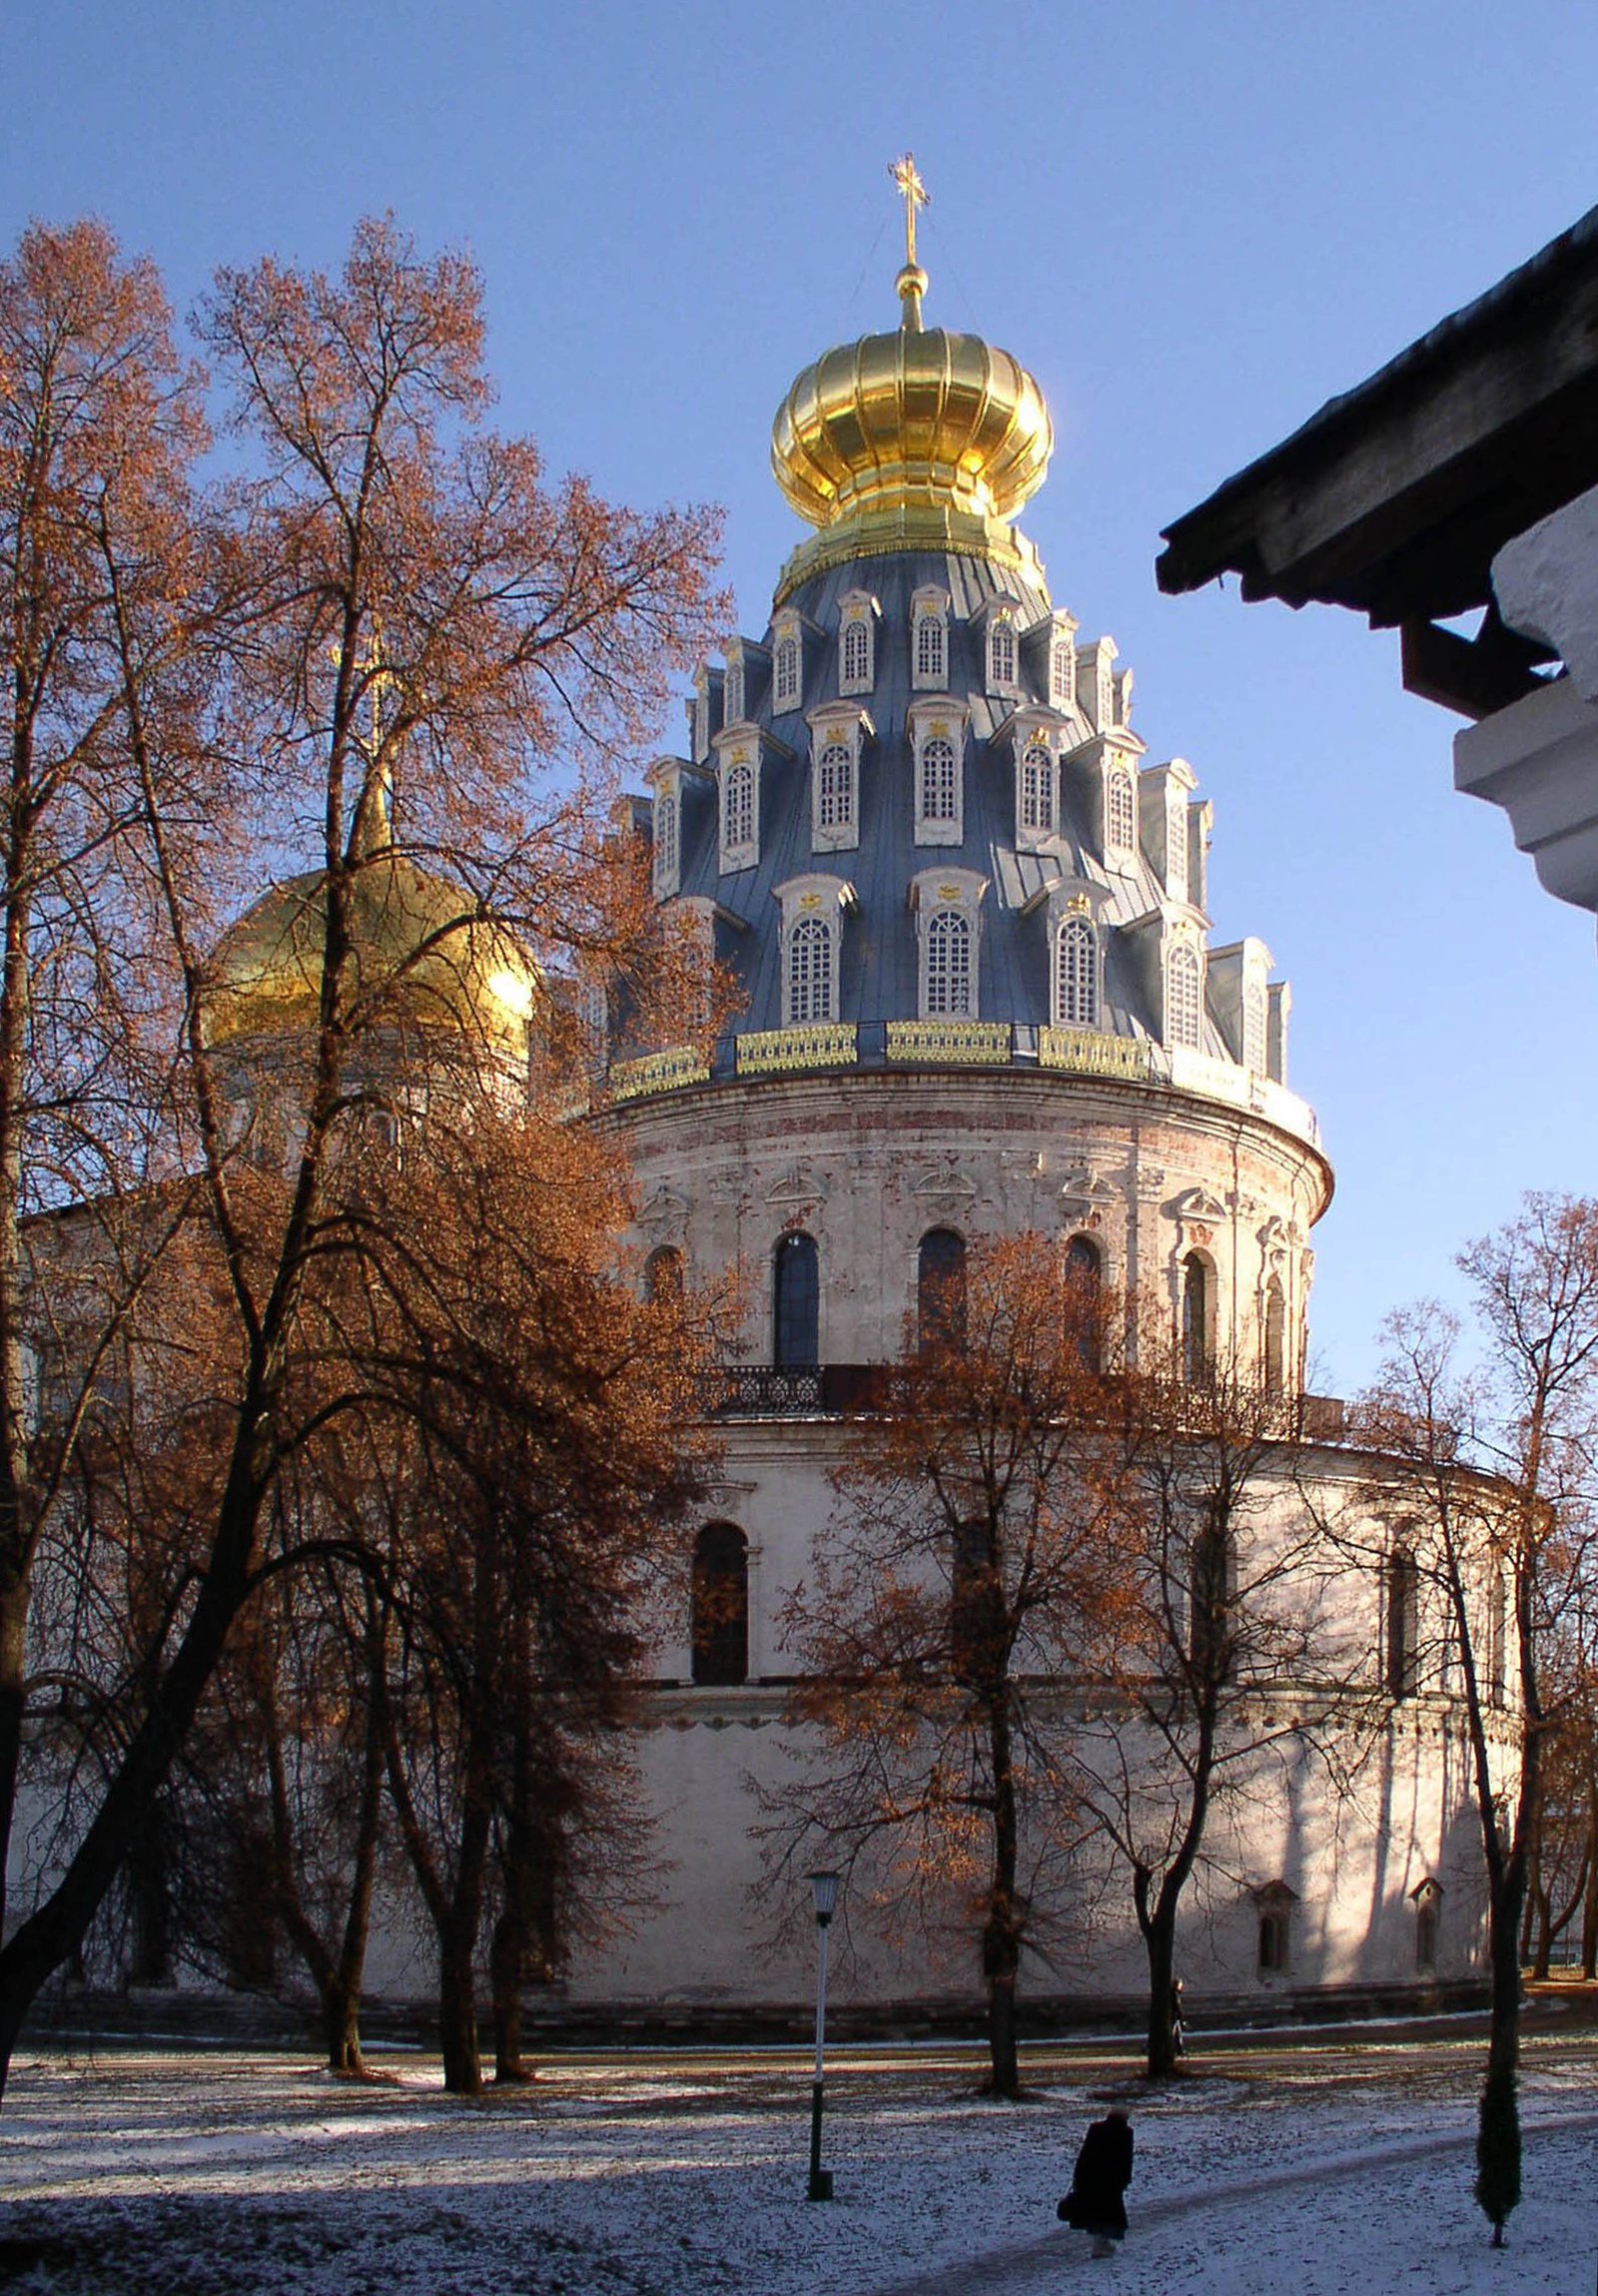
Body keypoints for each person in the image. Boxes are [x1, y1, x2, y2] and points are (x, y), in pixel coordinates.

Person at [1059, 2107, 1135, 2260]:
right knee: (1108, 2213)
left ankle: (1100, 2244)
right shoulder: (1125, 2132)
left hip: (1090, 2177)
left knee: (1094, 2211)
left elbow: (1085, 2153)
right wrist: (1125, 2179)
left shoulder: (1096, 2129)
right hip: (1111, 2180)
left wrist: (1078, 2177)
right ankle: (1101, 2245)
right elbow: (1125, 2159)